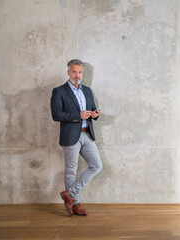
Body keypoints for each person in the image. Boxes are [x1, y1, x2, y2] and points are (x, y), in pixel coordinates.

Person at [50, 59, 103, 216]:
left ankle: (70, 195)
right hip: (71, 135)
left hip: (87, 134)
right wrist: (77, 115)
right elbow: (56, 114)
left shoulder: (87, 90)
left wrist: (95, 114)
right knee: (71, 170)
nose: (77, 75)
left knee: (96, 165)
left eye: (80, 72)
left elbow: (92, 109)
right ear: (68, 72)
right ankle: (75, 204)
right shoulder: (59, 91)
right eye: (74, 71)